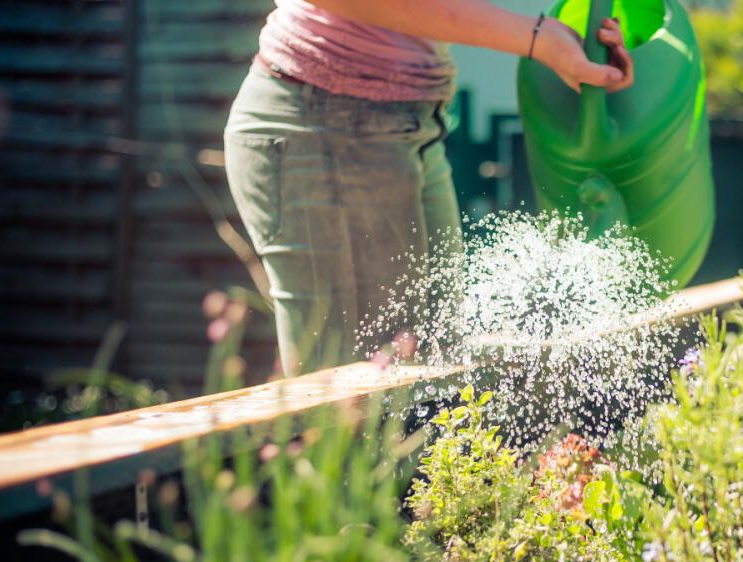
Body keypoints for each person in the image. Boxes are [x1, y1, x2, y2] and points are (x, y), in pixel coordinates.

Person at [224, 0, 634, 375]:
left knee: (433, 370)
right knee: (359, 403)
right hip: (323, 121)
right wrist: (536, 38)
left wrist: (572, 44)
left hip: (407, 122)